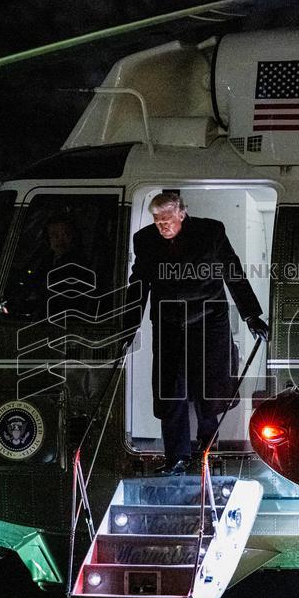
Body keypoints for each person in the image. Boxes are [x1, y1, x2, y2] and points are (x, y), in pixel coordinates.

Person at [125, 192, 269, 475]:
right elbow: (138, 285)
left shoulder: (210, 232)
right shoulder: (146, 240)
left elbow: (233, 273)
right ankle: (176, 457)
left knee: (209, 389)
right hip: (169, 322)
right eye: (157, 220)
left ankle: (208, 451)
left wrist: (252, 315)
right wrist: (129, 327)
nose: (162, 225)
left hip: (209, 320)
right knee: (170, 392)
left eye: (167, 219)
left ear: (181, 213)